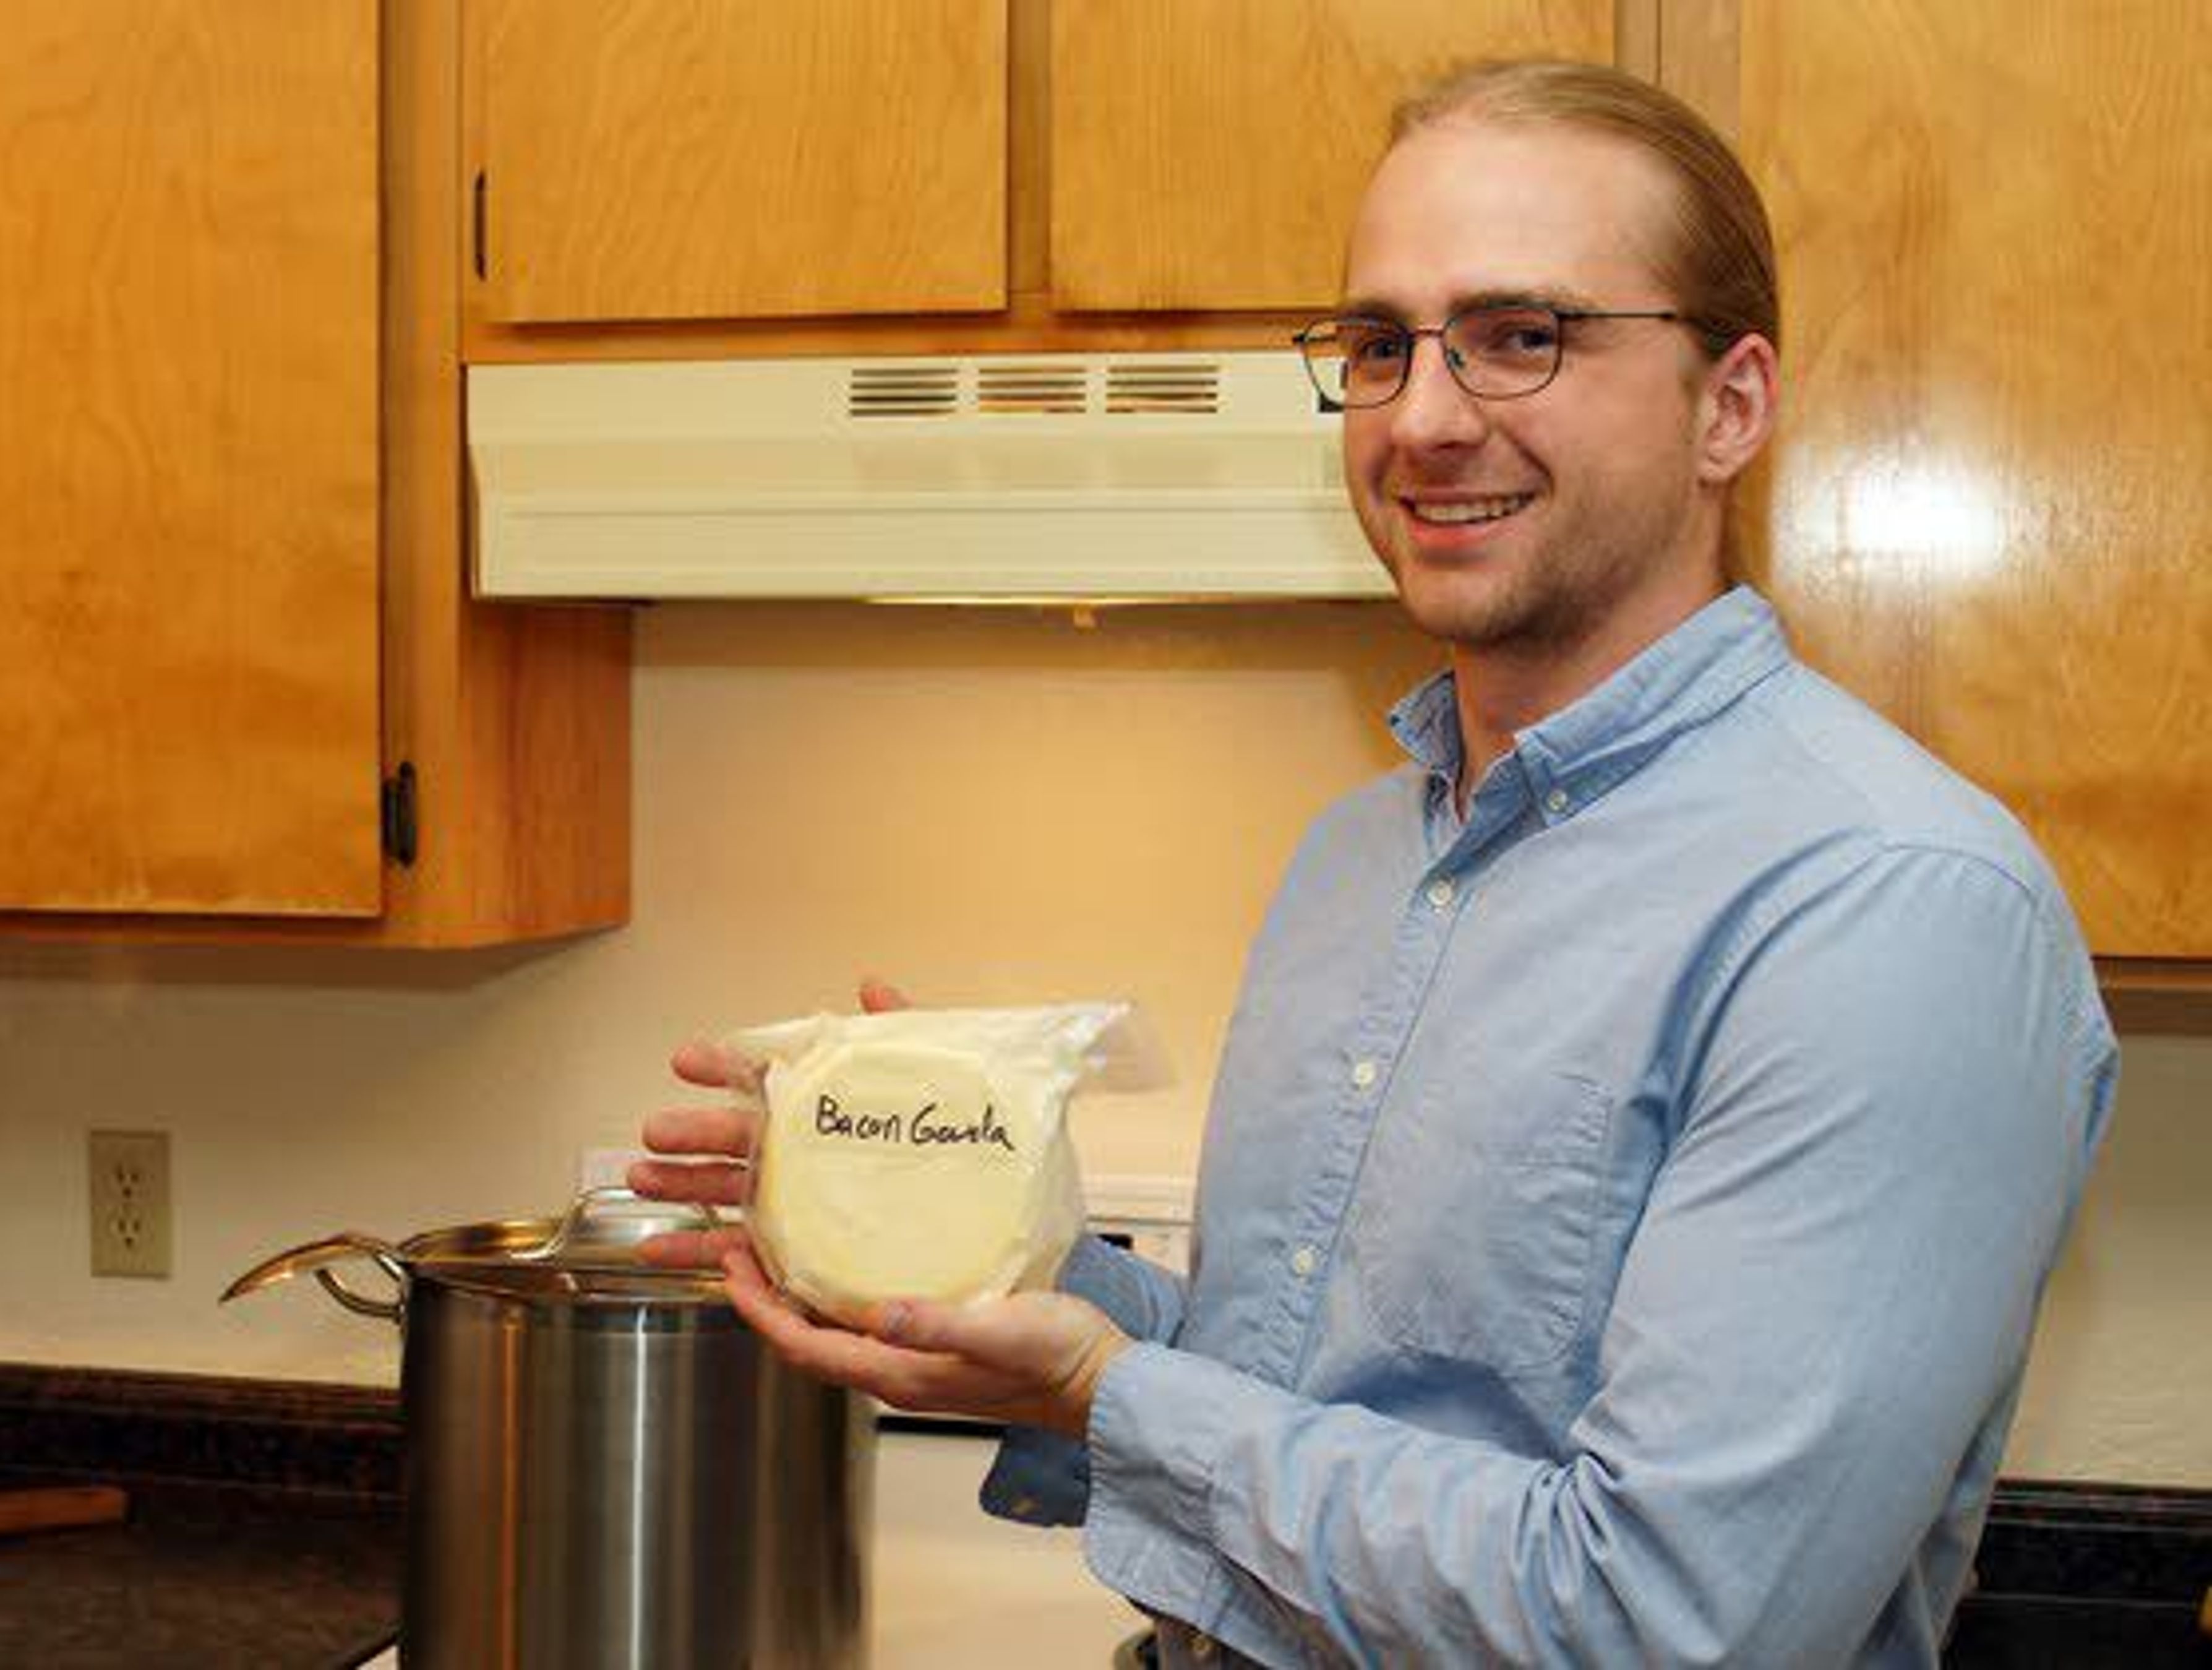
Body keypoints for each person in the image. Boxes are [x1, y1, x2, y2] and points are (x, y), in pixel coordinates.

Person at [634, 60, 2116, 1668]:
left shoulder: (1890, 910)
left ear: (1731, 404)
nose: (1421, 417)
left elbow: (1674, 1622)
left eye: (1519, 334)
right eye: (1378, 343)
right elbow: (1299, 1406)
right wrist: (968, 1237)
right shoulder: (1361, 856)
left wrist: (1105, 1387)